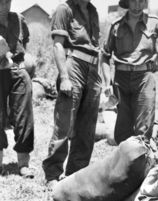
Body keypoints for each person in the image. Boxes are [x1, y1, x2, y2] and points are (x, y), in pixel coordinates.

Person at [101, 0, 158, 145]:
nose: (138, 5)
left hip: (144, 78)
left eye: (142, 1)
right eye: (134, 1)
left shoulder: (154, 22)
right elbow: (105, 56)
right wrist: (107, 84)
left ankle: (142, 163)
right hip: (121, 80)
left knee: (143, 128)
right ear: (127, 2)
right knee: (122, 130)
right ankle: (126, 164)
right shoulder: (116, 25)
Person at [42, 0, 101, 189]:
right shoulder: (64, 9)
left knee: (87, 127)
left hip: (93, 68)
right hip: (73, 63)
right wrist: (64, 77)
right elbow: (58, 45)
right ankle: (52, 174)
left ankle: (76, 175)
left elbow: (97, 46)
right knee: (65, 123)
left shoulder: (93, 11)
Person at [0, 0, 34, 178]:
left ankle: (23, 163)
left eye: (7, 1)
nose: (4, 4)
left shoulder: (19, 20)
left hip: (17, 70)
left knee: (24, 115)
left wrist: (22, 65)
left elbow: (25, 45)